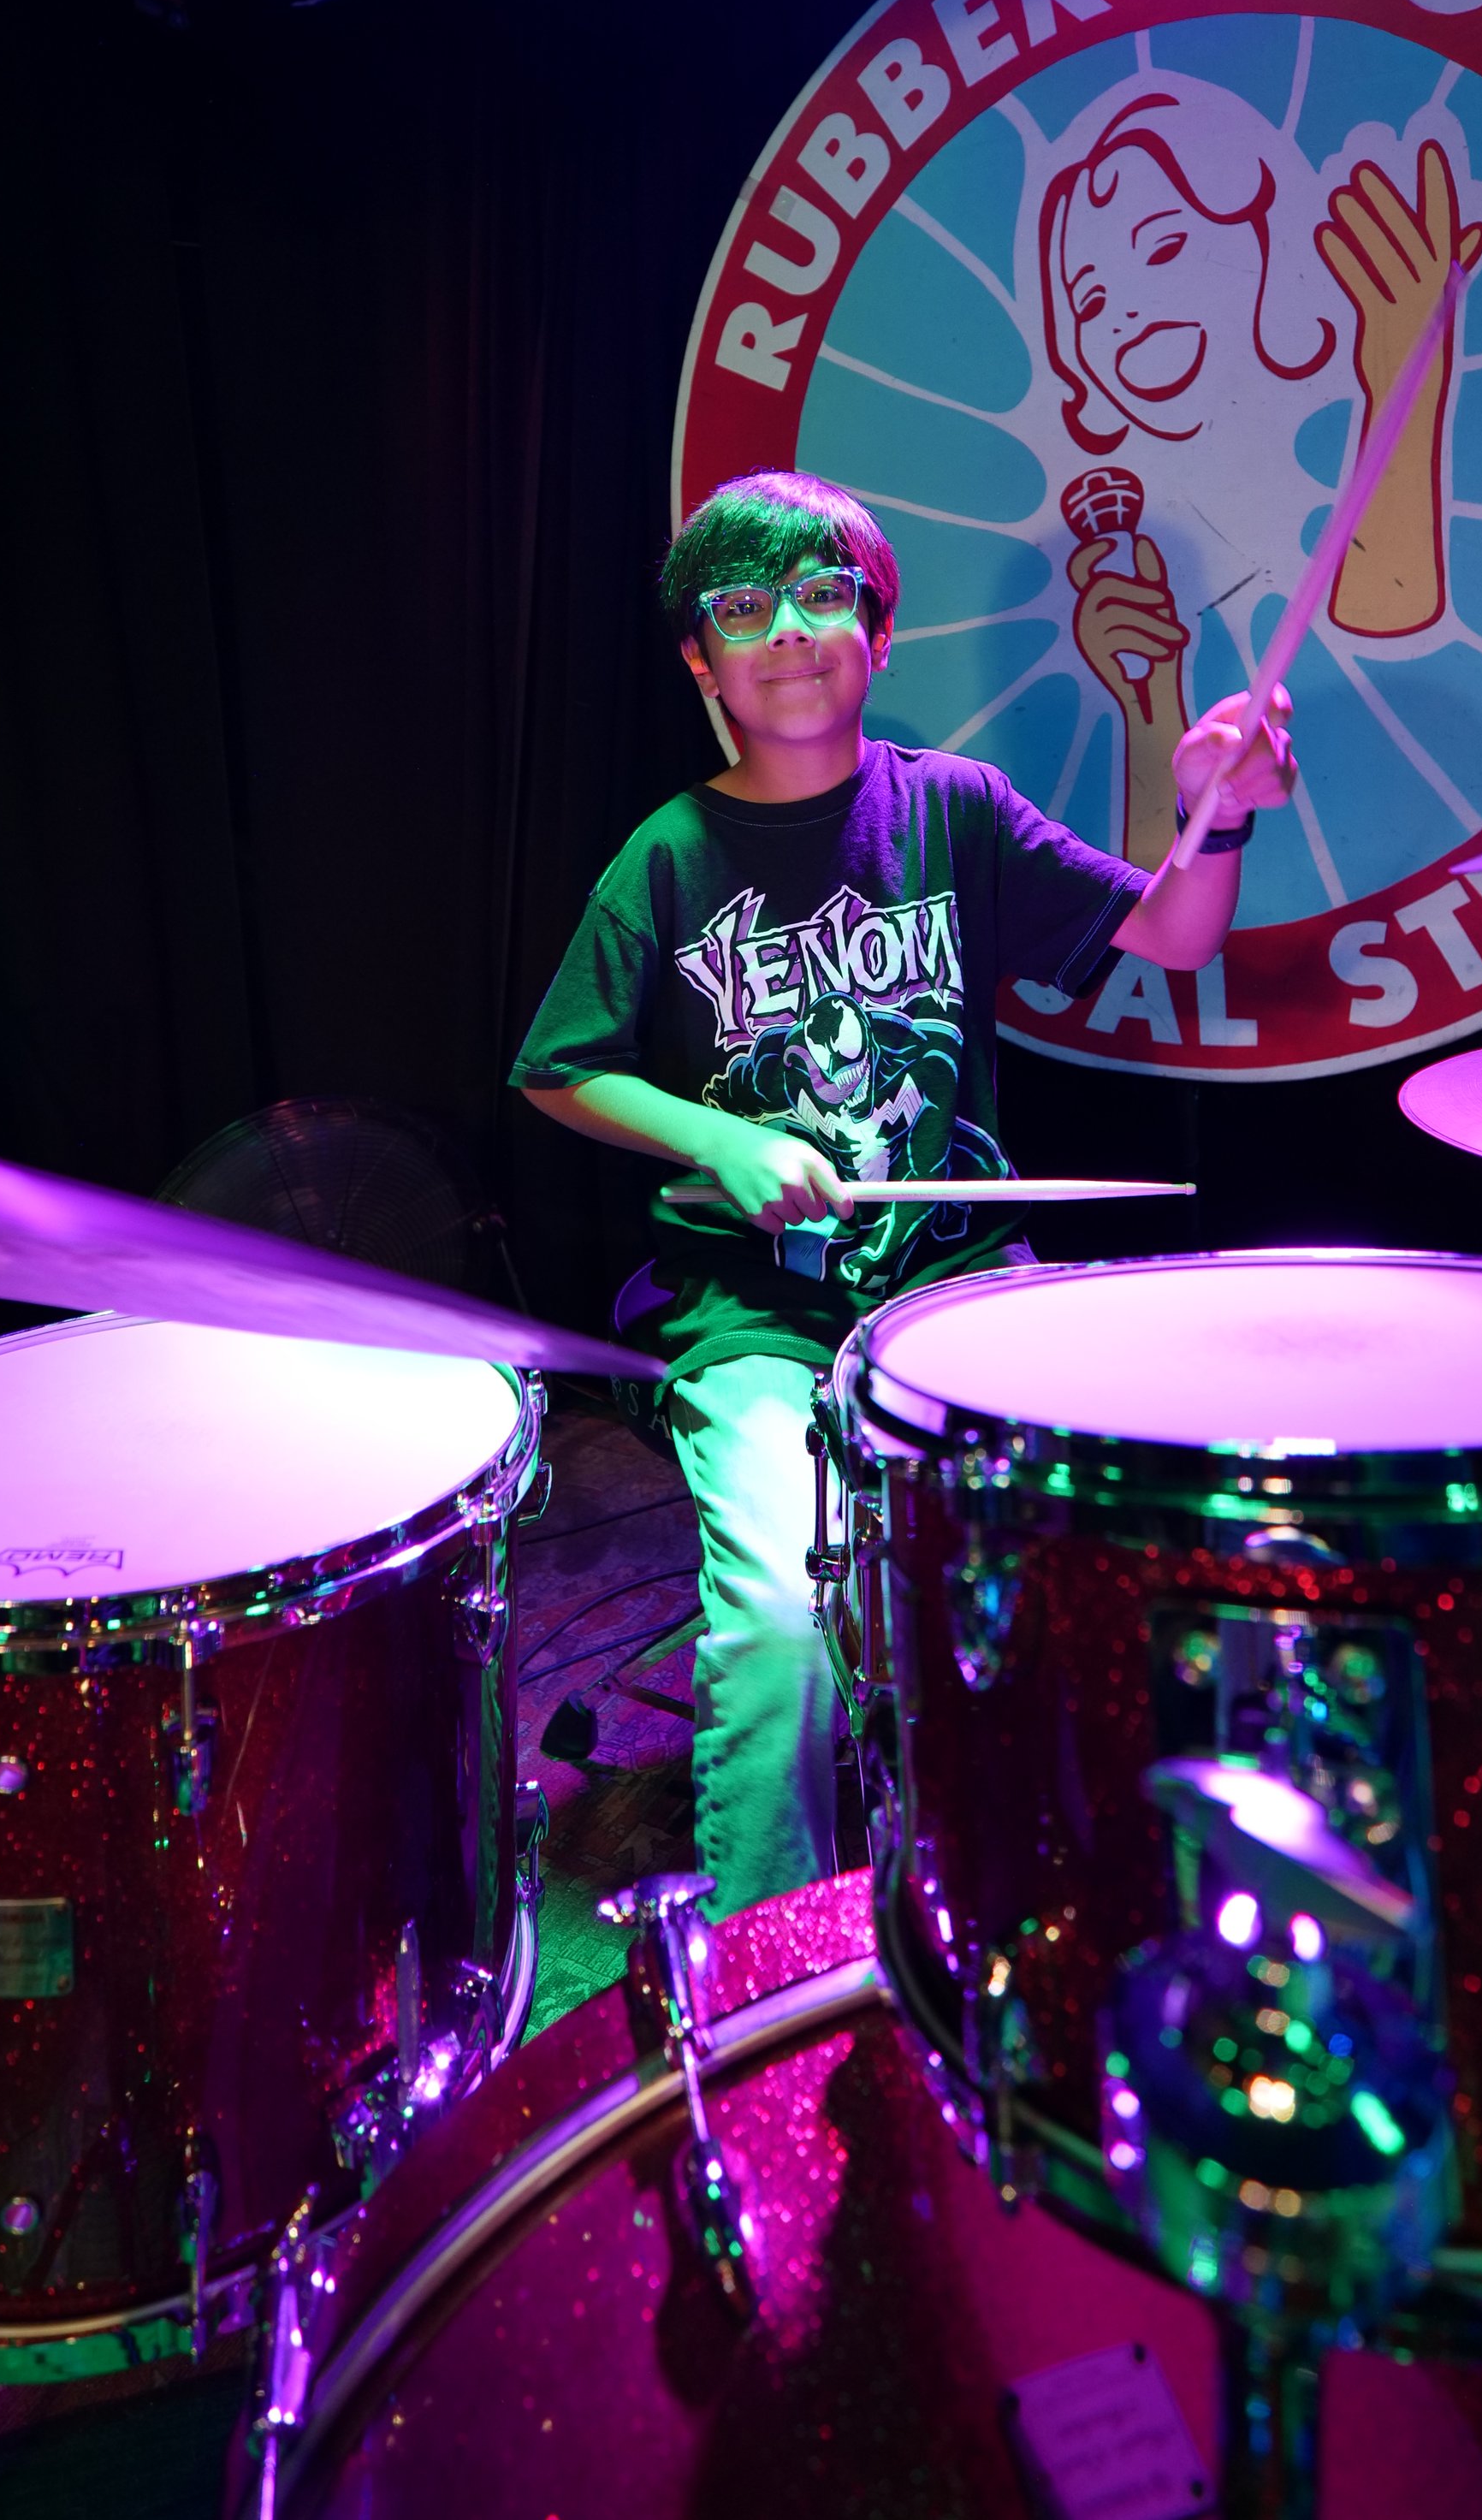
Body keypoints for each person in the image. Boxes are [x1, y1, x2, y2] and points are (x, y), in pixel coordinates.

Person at [512, 468, 1295, 1919]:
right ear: (700, 660)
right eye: (742, 609)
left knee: (1096, 1550)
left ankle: (1081, 1900)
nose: (787, 630)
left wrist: (1216, 815)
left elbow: (1175, 935)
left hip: (959, 1279)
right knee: (781, 1631)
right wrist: (717, 1140)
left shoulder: (957, 811)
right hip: (749, 1310)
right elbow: (562, 1072)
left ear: (881, 636)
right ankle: (774, 1972)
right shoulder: (668, 856)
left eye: (824, 597)